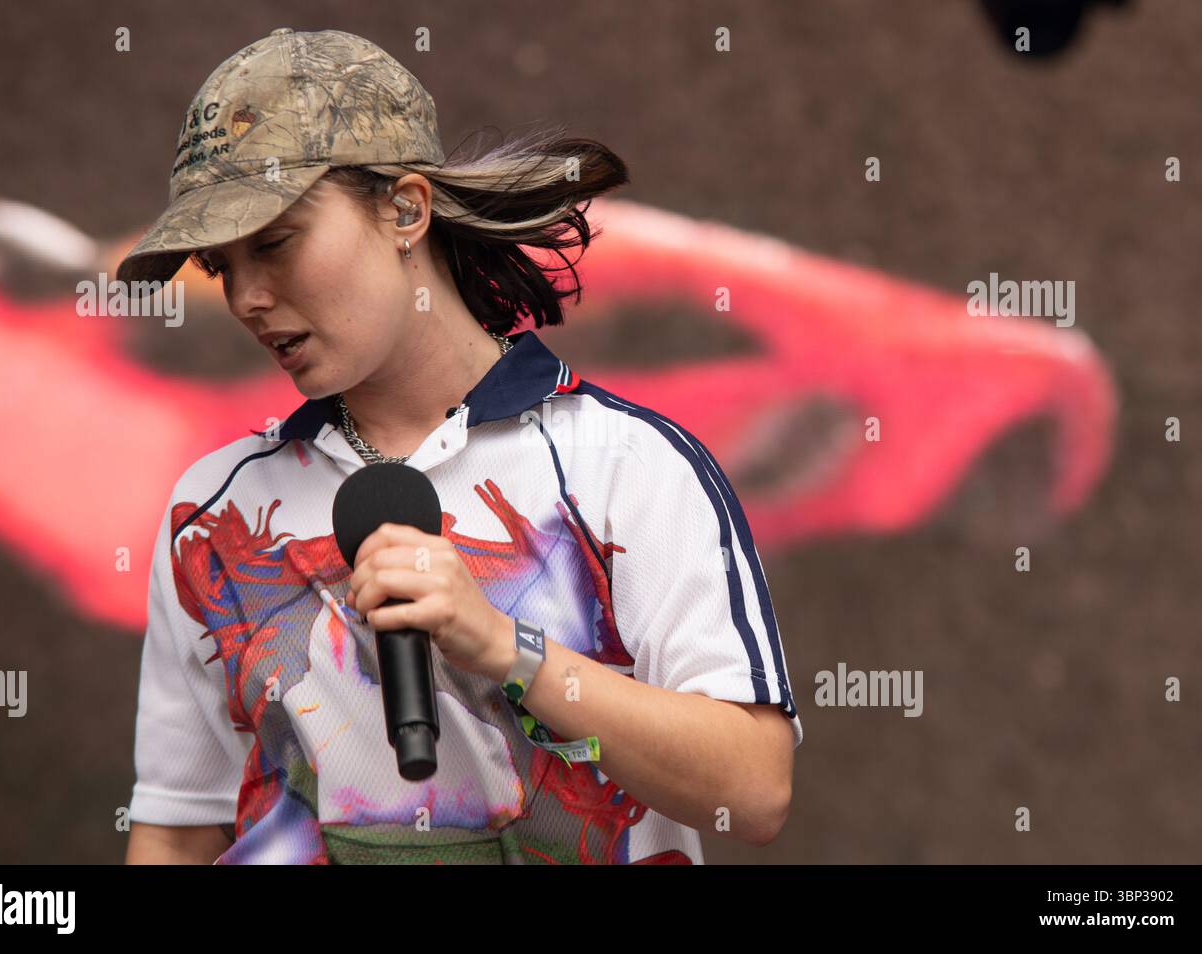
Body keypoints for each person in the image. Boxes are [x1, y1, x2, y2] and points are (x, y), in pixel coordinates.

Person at [118, 27, 802, 865]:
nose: (249, 298)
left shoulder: (627, 466)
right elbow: (179, 828)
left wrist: (509, 651)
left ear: (405, 209)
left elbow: (755, 791)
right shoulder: (212, 512)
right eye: (220, 266)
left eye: (274, 241)